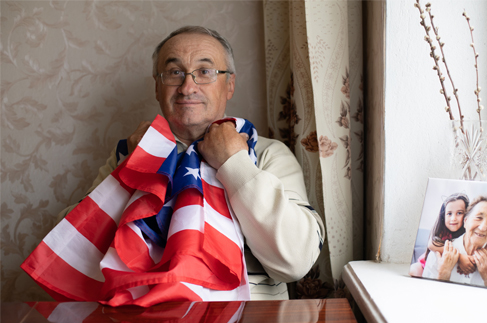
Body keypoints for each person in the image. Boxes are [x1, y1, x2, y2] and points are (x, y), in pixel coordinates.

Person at [55, 26, 325, 300]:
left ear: (229, 84)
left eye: (205, 72)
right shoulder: (131, 153)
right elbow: (72, 247)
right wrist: (135, 168)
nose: (187, 87)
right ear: (158, 87)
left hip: (249, 321)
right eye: (174, 73)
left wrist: (235, 163)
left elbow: (296, 262)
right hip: (143, 319)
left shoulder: (267, 153)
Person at [422, 194, 487, 288]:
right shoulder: (439, 254)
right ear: (465, 221)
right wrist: (443, 274)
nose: (482, 228)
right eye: (478, 217)